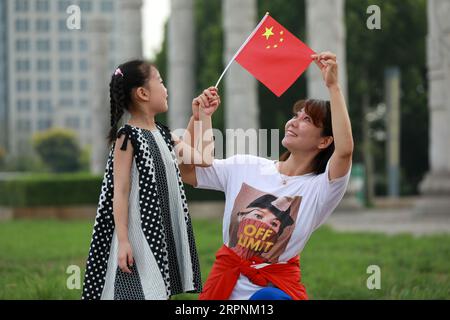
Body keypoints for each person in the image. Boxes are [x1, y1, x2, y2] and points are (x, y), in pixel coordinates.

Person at [180, 51, 353, 300]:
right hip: (223, 286)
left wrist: (333, 86)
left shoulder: (320, 189)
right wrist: (200, 118)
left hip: (274, 291)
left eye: (306, 120)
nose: (293, 122)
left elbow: (345, 151)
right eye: (295, 116)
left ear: (325, 141)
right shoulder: (247, 166)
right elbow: (190, 171)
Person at [81, 59, 220, 300]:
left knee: (155, 291)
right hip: (138, 235)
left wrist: (202, 116)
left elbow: (205, 158)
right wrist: (123, 240)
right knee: (141, 292)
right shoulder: (128, 137)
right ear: (143, 93)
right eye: (161, 82)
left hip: (160, 232)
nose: (166, 89)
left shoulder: (165, 135)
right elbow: (120, 192)